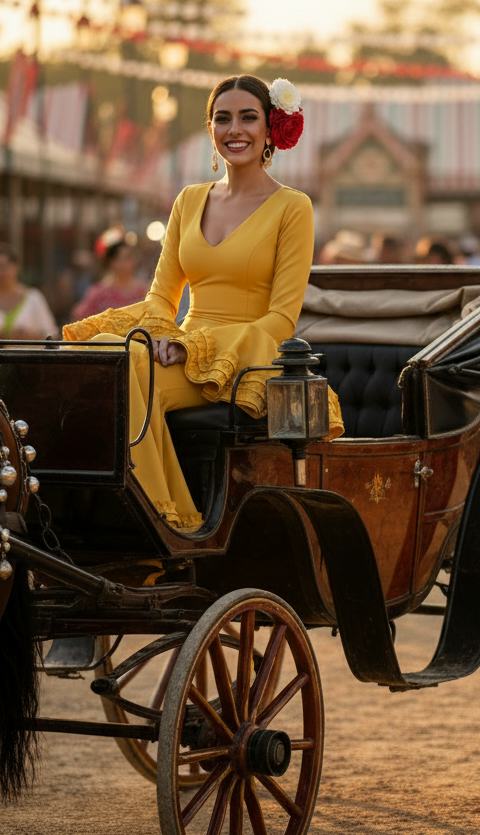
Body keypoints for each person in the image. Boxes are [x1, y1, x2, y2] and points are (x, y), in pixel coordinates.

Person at [63, 75, 344, 531]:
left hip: (246, 359)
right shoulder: (189, 200)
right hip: (183, 347)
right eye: (223, 118)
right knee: (101, 352)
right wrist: (166, 339)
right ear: (210, 129)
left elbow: (281, 319)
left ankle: (167, 521)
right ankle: (113, 517)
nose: (235, 129)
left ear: (271, 127)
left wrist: (195, 348)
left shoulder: (293, 207)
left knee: (129, 363)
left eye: (248, 117)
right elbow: (161, 298)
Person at [0, 243, 58, 341]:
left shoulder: (34, 297)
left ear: (16, 267)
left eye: (5, 266)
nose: (1, 273)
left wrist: (31, 337)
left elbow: (52, 334)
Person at [72, 228, 150, 320]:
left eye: (129, 258)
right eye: (122, 259)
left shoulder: (144, 291)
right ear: (112, 262)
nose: (126, 263)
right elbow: (79, 315)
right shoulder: (99, 293)